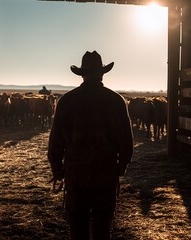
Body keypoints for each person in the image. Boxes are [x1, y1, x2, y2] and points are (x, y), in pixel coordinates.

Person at [48, 51, 134, 240]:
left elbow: (55, 142)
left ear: (82, 74)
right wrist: (120, 168)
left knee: (78, 225)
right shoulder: (116, 101)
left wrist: (58, 169)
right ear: (102, 73)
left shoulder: (67, 101)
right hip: (106, 174)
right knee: (102, 225)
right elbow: (126, 142)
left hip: (77, 174)